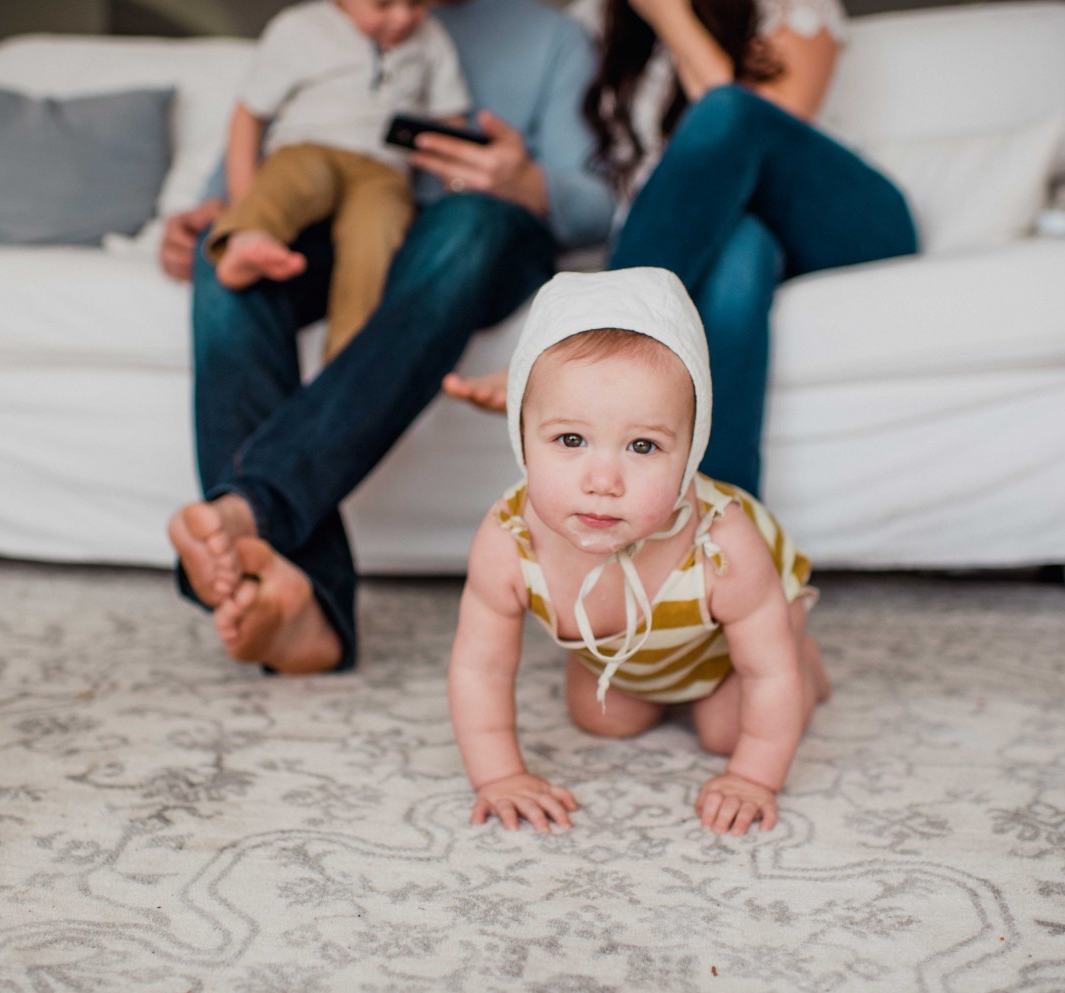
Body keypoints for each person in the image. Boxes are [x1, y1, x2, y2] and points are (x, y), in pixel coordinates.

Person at [161, 0, 617, 674]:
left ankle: (254, 506)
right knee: (225, 263)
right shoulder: (322, 27)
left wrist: (522, 180)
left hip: (481, 235)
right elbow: (270, 147)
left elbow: (600, 201)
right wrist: (208, 215)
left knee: (466, 220)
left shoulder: (551, 38)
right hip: (346, 222)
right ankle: (294, 599)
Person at [443, 0, 918, 496]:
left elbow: (745, 133)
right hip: (720, 233)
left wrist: (671, 15)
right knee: (738, 252)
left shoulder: (793, 7)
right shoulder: (594, 20)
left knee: (729, 111)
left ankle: (575, 333)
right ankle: (722, 540)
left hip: (838, 219)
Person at [448, 268, 827, 836]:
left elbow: (766, 673)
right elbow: (480, 668)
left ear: (692, 449)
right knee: (603, 719)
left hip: (722, 654)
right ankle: (645, 680)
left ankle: (810, 662)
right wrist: (499, 776)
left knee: (730, 729)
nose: (603, 480)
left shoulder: (722, 544)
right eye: (570, 440)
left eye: (643, 446)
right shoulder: (509, 538)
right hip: (627, 658)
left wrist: (752, 778)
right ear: (521, 436)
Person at [206, 0, 471, 360]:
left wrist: (459, 177)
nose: (403, 17)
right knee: (288, 182)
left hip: (384, 170)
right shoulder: (300, 28)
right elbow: (249, 116)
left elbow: (450, 120)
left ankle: (346, 356)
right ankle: (247, 237)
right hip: (310, 148)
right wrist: (242, 199)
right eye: (383, 5)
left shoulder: (432, 39)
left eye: (416, 3)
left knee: (379, 233)